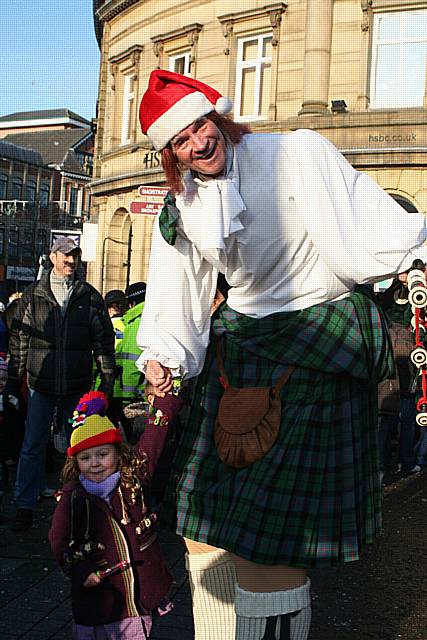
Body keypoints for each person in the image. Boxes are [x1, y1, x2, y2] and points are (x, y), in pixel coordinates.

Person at [136, 70, 427, 640]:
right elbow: (178, 283)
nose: (197, 142)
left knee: (270, 553)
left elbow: (359, 225)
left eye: (200, 126)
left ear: (217, 118)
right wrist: (163, 357)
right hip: (241, 352)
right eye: (180, 140)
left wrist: (406, 256)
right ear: (171, 155)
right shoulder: (185, 203)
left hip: (316, 346)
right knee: (201, 523)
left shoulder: (295, 154)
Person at [48, 389, 182, 639]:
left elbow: (154, 439)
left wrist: (166, 398)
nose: (95, 463)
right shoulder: (72, 498)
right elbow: (58, 540)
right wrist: (79, 571)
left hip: (139, 596)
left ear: (118, 453)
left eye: (102, 454)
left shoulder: (133, 480)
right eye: (85, 457)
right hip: (100, 601)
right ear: (75, 462)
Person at [8, 237, 115, 532]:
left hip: (76, 384)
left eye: (75, 256)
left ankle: (76, 502)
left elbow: (103, 343)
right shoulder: (33, 295)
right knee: (33, 443)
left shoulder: (89, 296)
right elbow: (20, 341)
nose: (70, 261)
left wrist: (106, 382)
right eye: (65, 256)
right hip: (41, 383)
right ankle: (25, 504)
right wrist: (14, 383)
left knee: (78, 445)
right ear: (52, 257)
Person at [376, 265, 424, 476]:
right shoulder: (408, 301)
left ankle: (386, 463)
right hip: (406, 365)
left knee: (388, 416)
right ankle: (404, 461)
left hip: (392, 366)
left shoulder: (384, 304)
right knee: (403, 416)